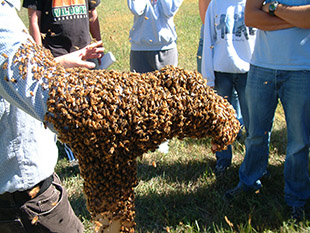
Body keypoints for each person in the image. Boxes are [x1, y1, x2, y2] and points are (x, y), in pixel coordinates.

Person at [0, 1, 104, 232]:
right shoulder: (1, 21)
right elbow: (33, 86)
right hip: (23, 196)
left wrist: (60, 63)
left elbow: (14, 73)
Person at [224, 0, 310, 221]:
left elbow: (308, 18)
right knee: (255, 134)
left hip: (302, 69)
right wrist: (294, 20)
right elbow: (251, 18)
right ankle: (249, 182)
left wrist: (273, 9)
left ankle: (296, 198)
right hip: (262, 66)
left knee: (299, 142)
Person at [23, 0, 103, 162]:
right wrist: (41, 58)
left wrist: (99, 44)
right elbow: (34, 21)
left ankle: (88, 140)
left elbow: (92, 15)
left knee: (88, 100)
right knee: (64, 104)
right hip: (56, 53)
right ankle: (70, 144)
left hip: (84, 50)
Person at [201, 0, 256, 175]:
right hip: (221, 71)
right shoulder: (216, 4)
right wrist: (208, 77)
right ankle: (223, 160)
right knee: (221, 121)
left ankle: (254, 162)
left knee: (252, 121)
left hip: (248, 71)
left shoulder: (254, 3)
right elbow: (208, 39)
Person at [127, 0, 183, 154]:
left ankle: (163, 136)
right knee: (140, 95)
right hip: (140, 46)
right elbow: (136, 8)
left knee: (166, 95)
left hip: (165, 46)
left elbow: (168, 10)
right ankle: (144, 133)